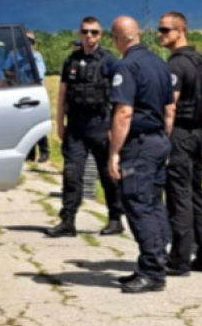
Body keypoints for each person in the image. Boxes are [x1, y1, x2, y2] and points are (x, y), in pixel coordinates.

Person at [107, 16, 175, 294]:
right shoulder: (159, 63)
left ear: (118, 39)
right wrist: (163, 143)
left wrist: (114, 153)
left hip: (140, 145)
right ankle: (155, 261)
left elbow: (124, 112)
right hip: (158, 140)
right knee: (153, 204)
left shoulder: (127, 66)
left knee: (138, 204)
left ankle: (152, 272)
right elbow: (170, 110)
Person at [45, 17, 124, 237]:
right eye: (85, 32)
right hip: (76, 126)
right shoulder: (71, 61)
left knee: (108, 175)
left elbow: (120, 99)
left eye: (94, 32)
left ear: (101, 35)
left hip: (101, 124)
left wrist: (114, 128)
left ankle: (116, 219)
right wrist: (60, 123)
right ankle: (67, 221)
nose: (89, 36)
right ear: (80, 34)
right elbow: (62, 94)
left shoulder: (110, 61)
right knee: (71, 174)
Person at [159, 13, 202, 276]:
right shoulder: (200, 62)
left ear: (181, 31)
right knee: (196, 194)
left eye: (165, 30)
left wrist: (164, 139)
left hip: (181, 134)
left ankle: (179, 259)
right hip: (200, 135)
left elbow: (170, 106)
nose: (160, 34)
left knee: (178, 195)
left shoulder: (177, 65)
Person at [19, 31, 50, 163]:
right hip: (20, 93)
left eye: (30, 42)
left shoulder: (37, 57)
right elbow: (7, 71)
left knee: (37, 124)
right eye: (25, 41)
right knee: (25, 124)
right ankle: (29, 154)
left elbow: (39, 76)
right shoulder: (16, 57)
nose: (28, 44)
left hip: (35, 93)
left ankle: (44, 152)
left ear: (34, 44)